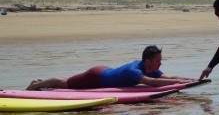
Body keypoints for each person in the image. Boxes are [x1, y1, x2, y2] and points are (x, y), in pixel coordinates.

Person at [27, 45, 197, 90]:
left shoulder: (148, 67)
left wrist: (189, 80)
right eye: (158, 61)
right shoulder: (135, 70)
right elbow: (151, 83)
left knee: (66, 82)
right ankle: (36, 84)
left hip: (105, 71)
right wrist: (180, 84)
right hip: (96, 76)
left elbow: (166, 77)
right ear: (147, 61)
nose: (160, 64)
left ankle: (41, 82)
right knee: (65, 83)